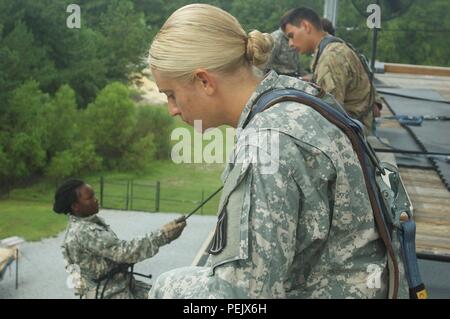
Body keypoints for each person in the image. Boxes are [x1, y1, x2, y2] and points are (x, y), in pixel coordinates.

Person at [147, 3, 407, 298]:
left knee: (166, 287)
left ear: (204, 81)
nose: (172, 109)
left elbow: (242, 300)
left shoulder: (264, 147)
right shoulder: (298, 99)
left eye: (171, 94)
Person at [53, 179, 186, 299]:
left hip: (120, 285)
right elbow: (124, 252)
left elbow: (110, 257)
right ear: (75, 206)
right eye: (90, 197)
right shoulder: (83, 231)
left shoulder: (89, 224)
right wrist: (163, 235)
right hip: (109, 293)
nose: (96, 199)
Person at [281, 7, 376, 135]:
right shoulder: (331, 47)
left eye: (291, 36)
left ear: (305, 26)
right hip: (353, 127)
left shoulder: (330, 56)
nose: (290, 44)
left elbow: (329, 113)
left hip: (352, 134)